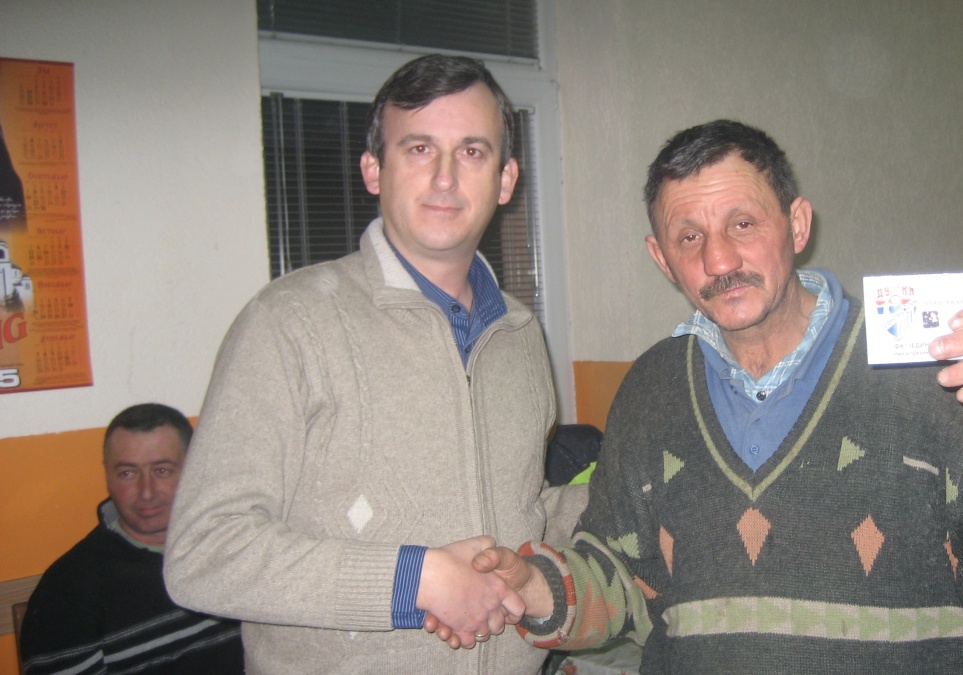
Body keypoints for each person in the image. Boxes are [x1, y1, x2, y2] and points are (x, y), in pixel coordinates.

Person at [438, 120, 963, 673]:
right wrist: (535, 588)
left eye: (742, 224)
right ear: (661, 258)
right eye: (689, 236)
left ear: (797, 225)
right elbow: (624, 578)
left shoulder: (929, 371)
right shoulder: (650, 388)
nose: (718, 260)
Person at [163, 54, 585, 673]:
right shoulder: (288, 322)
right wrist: (416, 581)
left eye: (472, 152)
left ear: (505, 178)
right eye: (419, 149)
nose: (445, 178)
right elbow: (204, 553)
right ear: (373, 170)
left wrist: (629, 493)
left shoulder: (520, 334)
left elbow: (520, 507)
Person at [20, 403, 243, 674]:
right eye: (128, 473)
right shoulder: (66, 593)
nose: (146, 492)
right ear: (107, 476)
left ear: (194, 469)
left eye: (162, 470)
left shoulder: (235, 544)